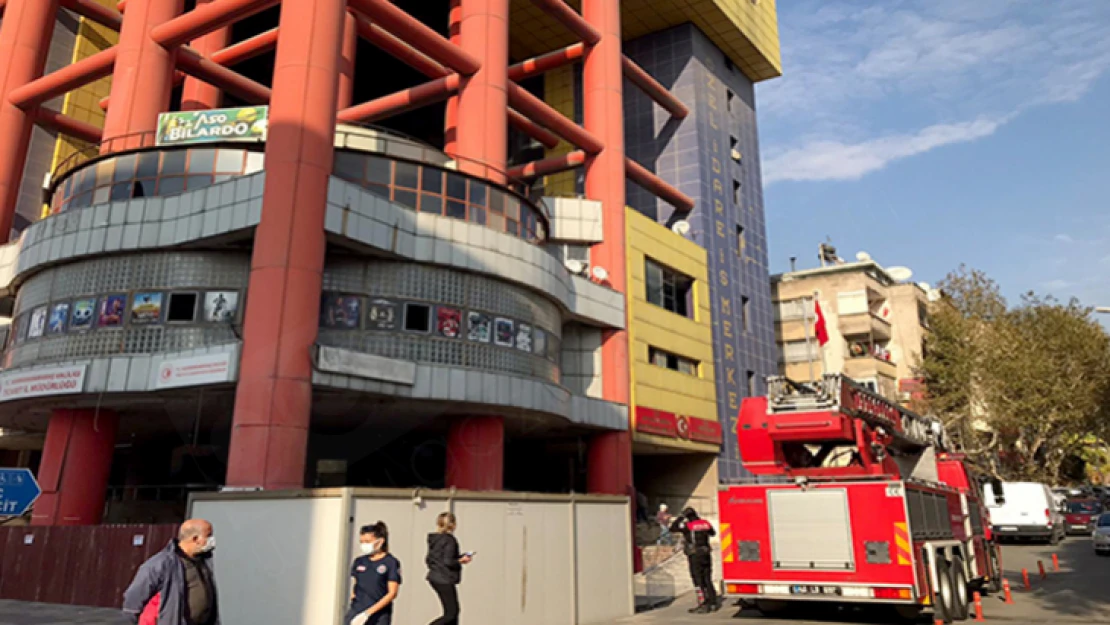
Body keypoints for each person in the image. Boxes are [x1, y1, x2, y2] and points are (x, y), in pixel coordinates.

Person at [122, 518, 220, 625]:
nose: (212, 540)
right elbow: (133, 600)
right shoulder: (161, 564)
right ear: (195, 539)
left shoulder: (202, 561)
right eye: (208, 535)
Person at [347, 522, 402, 625]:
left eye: (367, 541)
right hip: (357, 611)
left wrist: (367, 613)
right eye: (361, 542)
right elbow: (356, 585)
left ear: (380, 541)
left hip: (378, 615)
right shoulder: (359, 561)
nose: (364, 545)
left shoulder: (390, 562)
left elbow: (392, 593)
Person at [425, 512, 472, 625]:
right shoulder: (449, 540)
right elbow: (448, 561)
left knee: (452, 614)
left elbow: (432, 559)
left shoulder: (434, 540)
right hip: (444, 578)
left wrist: (458, 558)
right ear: (453, 525)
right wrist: (461, 560)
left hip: (435, 576)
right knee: (452, 613)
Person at [670, 507, 719, 614]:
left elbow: (672, 528)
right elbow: (713, 533)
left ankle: (703, 604)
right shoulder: (705, 523)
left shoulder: (688, 526)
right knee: (707, 578)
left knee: (697, 580)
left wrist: (680, 517)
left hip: (695, 555)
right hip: (706, 554)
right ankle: (713, 603)